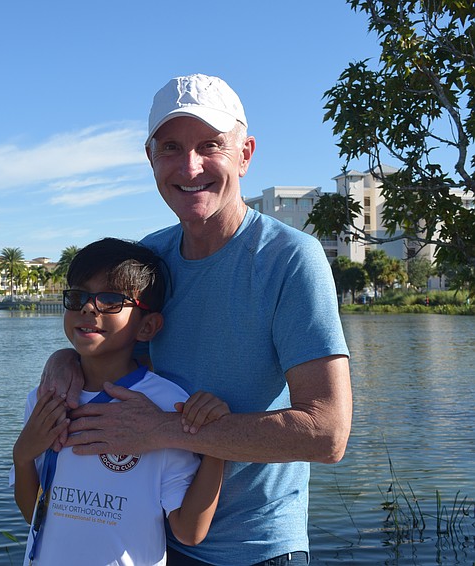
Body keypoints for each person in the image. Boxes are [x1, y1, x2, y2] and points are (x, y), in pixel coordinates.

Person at [40, 74, 352, 565]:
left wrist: (163, 430)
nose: (190, 166)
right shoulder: (150, 259)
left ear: (245, 154)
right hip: (154, 541)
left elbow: (327, 433)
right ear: (150, 158)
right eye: (171, 147)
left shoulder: (290, 259)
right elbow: (117, 355)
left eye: (211, 145)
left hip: (258, 549)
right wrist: (63, 360)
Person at [11, 237, 228, 565]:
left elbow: (189, 530)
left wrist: (215, 445)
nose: (88, 308)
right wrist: (23, 456)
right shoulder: (46, 398)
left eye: (111, 300)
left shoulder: (167, 404)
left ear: (148, 326)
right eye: (78, 296)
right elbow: (34, 516)